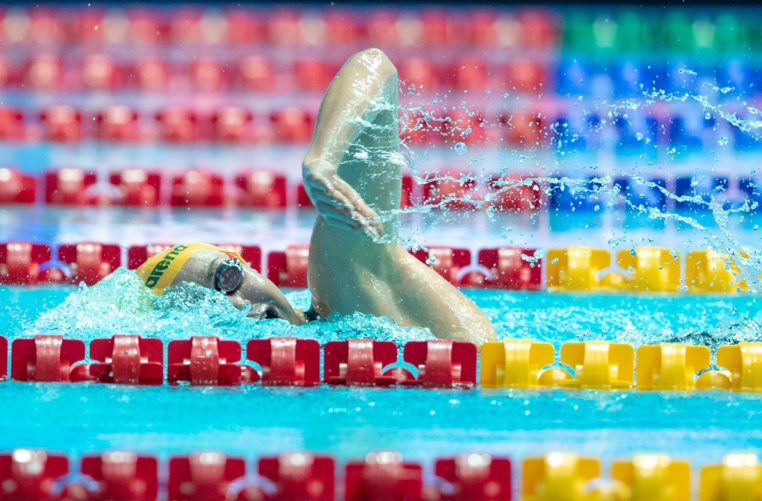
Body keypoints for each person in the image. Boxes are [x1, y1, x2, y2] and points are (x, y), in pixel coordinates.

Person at [137, 48, 497, 346]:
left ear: (248, 268)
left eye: (227, 278)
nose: (235, 302)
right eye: (207, 307)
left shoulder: (347, 284)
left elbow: (375, 65)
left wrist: (322, 158)